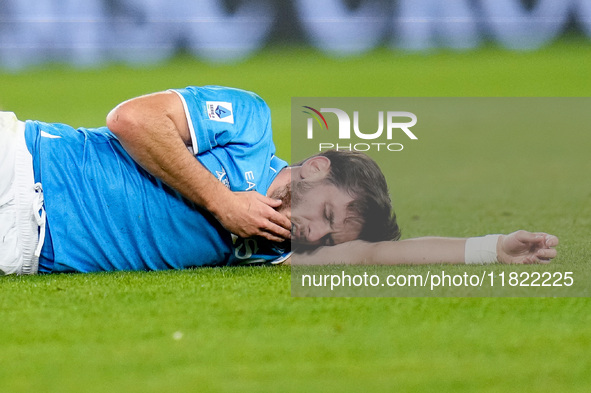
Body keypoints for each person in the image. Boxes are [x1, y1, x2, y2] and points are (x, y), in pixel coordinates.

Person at [0, 85, 558, 275]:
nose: (312, 234)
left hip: (23, 251)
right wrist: (223, 202)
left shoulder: (271, 246)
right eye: (327, 217)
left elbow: (379, 257)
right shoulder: (248, 122)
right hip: (22, 167)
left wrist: (488, 248)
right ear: (316, 169)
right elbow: (131, 120)